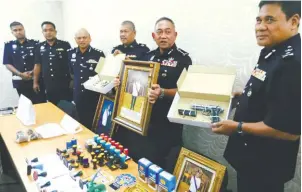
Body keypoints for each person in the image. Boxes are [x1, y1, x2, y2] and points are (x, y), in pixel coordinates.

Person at [212, 1, 301, 192]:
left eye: (269, 20)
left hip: (266, 164)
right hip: (251, 157)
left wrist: (237, 127)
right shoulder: (273, 51)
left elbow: (288, 131)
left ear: (293, 22)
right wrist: (244, 96)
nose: (260, 27)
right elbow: (271, 94)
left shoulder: (292, 64)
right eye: (258, 20)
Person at [114, 17, 192, 172]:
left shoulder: (183, 59)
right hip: (145, 122)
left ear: (175, 35)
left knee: (161, 168)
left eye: (168, 32)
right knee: (142, 162)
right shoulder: (147, 56)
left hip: (168, 126)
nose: (163, 36)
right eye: (159, 32)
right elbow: (136, 82)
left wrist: (162, 92)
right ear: (153, 36)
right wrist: (121, 84)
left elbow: (186, 92)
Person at [68, 28, 105, 129]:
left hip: (93, 95)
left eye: (84, 37)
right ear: (75, 40)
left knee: (92, 123)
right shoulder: (70, 53)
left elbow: (102, 74)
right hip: (77, 94)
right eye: (79, 38)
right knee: (78, 122)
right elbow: (70, 72)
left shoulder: (98, 54)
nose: (82, 40)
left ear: (90, 39)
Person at [3, 21, 46, 104]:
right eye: (15, 30)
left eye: (20, 29)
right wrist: (20, 74)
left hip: (36, 79)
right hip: (20, 81)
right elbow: (7, 63)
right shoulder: (8, 46)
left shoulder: (35, 43)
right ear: (12, 32)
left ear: (24, 29)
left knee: (40, 104)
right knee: (26, 105)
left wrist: (32, 72)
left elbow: (40, 61)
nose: (18, 32)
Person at [33, 21, 72, 105]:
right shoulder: (39, 46)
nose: (48, 33)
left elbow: (71, 63)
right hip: (48, 83)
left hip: (64, 82)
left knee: (65, 106)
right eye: (45, 30)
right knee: (51, 105)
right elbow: (37, 65)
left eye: (51, 30)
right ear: (42, 32)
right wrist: (35, 82)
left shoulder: (65, 45)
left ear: (55, 31)